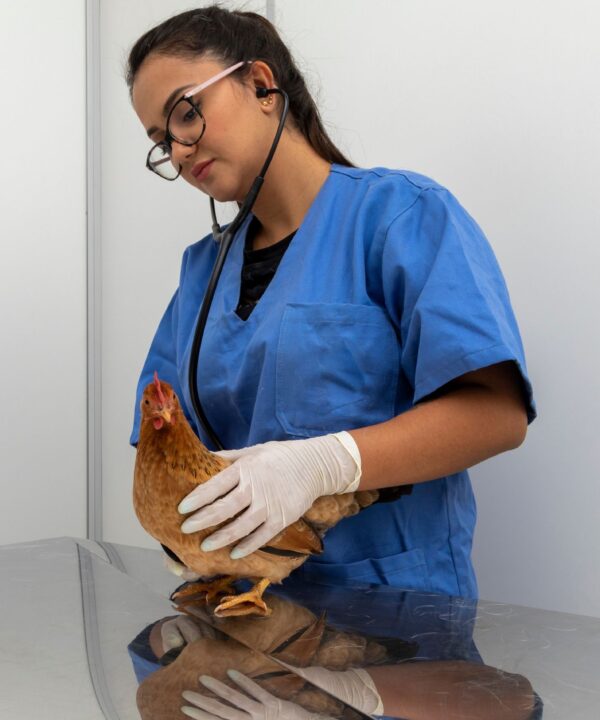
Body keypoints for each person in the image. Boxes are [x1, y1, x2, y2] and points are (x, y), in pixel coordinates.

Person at [128, 5, 536, 600]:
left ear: (262, 84)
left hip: (396, 626)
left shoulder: (403, 217)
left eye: (186, 113)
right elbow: (155, 434)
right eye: (162, 142)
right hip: (248, 622)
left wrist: (321, 464)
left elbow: (497, 416)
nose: (181, 150)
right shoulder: (202, 271)